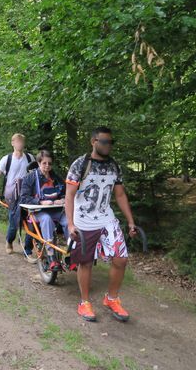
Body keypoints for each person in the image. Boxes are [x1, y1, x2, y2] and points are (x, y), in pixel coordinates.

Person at [65, 126, 138, 323]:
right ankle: (84, 302)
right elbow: (69, 195)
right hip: (84, 221)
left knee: (121, 258)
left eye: (110, 142)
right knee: (86, 262)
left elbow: (120, 194)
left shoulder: (114, 166)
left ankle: (111, 298)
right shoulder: (80, 164)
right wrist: (71, 224)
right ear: (93, 142)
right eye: (104, 141)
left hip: (107, 219)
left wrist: (130, 221)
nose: (108, 145)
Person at [19, 150, 67, 268]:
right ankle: (51, 255)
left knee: (68, 221)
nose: (47, 166)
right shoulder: (30, 178)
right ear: (39, 163)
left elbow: (65, 193)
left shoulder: (56, 177)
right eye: (44, 163)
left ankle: (72, 252)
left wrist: (62, 199)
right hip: (38, 211)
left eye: (49, 163)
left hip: (56, 210)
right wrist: (40, 201)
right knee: (46, 219)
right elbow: (24, 198)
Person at [0, 133, 35, 254]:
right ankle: (9, 241)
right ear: (12, 143)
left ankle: (28, 250)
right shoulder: (7, 159)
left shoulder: (30, 158)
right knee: (14, 223)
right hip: (12, 197)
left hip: (28, 196)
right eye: (17, 141)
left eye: (22, 141)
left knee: (32, 223)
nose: (20, 143)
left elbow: (36, 176)